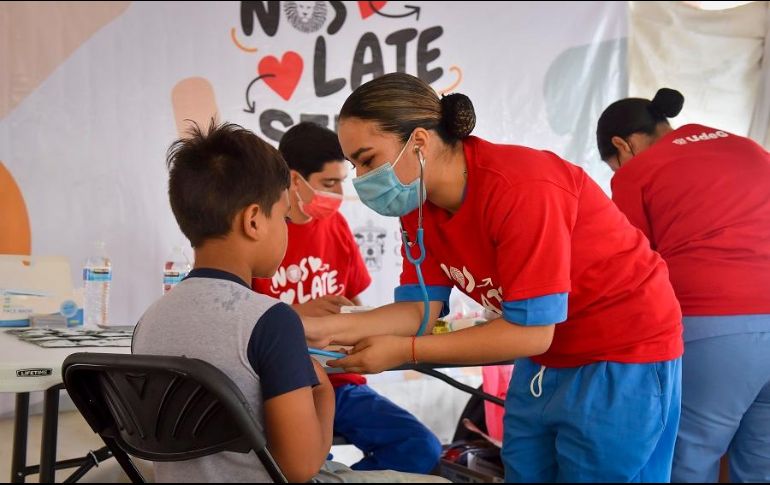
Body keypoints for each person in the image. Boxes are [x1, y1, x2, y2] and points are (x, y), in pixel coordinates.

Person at [301, 73, 684, 483]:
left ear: (419, 141)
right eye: (355, 164)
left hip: (622, 355)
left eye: (367, 159)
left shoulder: (521, 187)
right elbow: (421, 308)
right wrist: (322, 328)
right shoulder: (420, 206)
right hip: (545, 360)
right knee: (523, 470)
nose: (360, 178)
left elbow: (531, 332)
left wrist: (406, 352)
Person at [133, 121, 446, 483]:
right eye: (283, 216)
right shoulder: (270, 320)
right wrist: (323, 392)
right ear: (253, 221)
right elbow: (299, 469)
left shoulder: (149, 321)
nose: (289, 227)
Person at [596, 88, 770, 483]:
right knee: (762, 465)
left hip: (713, 326)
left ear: (623, 145)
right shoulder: (751, 149)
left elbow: (630, 265)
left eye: (614, 164)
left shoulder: (637, 173)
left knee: (686, 459)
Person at [252, 122, 442, 474]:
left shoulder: (335, 224)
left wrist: (357, 325)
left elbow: (356, 303)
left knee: (421, 448)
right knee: (305, 466)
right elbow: (239, 322)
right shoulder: (261, 235)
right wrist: (293, 314)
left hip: (340, 382)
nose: (341, 192)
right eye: (329, 183)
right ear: (294, 180)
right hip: (286, 389)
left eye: (343, 180)